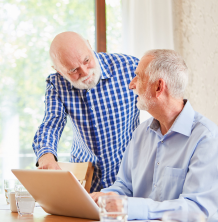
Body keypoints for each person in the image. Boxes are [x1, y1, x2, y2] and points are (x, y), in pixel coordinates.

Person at [90, 49, 218, 221]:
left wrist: (130, 207)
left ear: (158, 87)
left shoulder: (209, 139)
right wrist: (100, 199)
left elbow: (195, 210)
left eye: (138, 77)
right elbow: (124, 186)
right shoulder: (141, 132)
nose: (131, 84)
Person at [32, 31, 140, 192]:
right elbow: (51, 124)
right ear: (60, 71)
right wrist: (46, 156)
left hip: (128, 177)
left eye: (86, 60)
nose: (84, 72)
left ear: (90, 46)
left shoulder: (130, 67)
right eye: (73, 70)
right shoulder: (57, 83)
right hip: (84, 180)